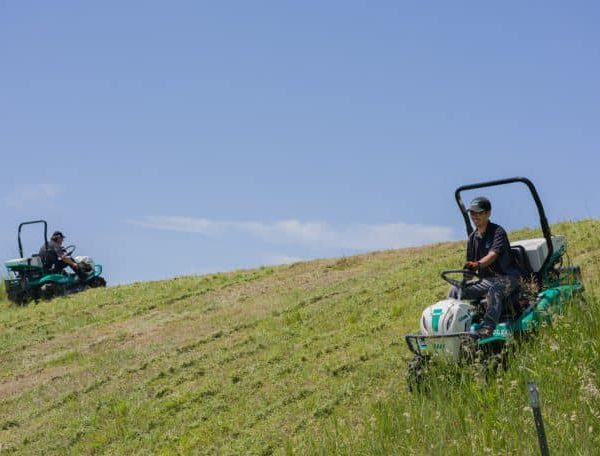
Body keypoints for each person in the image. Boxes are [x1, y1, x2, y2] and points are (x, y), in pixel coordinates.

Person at [448, 197, 521, 337]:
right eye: (472, 213)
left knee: (495, 289)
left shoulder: (498, 232)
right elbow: (471, 264)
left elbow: (493, 255)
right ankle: (451, 328)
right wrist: (468, 272)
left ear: (488, 213)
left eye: (479, 213)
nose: (475, 216)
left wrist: (478, 264)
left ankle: (488, 327)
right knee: (455, 289)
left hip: (508, 278)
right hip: (485, 280)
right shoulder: (472, 238)